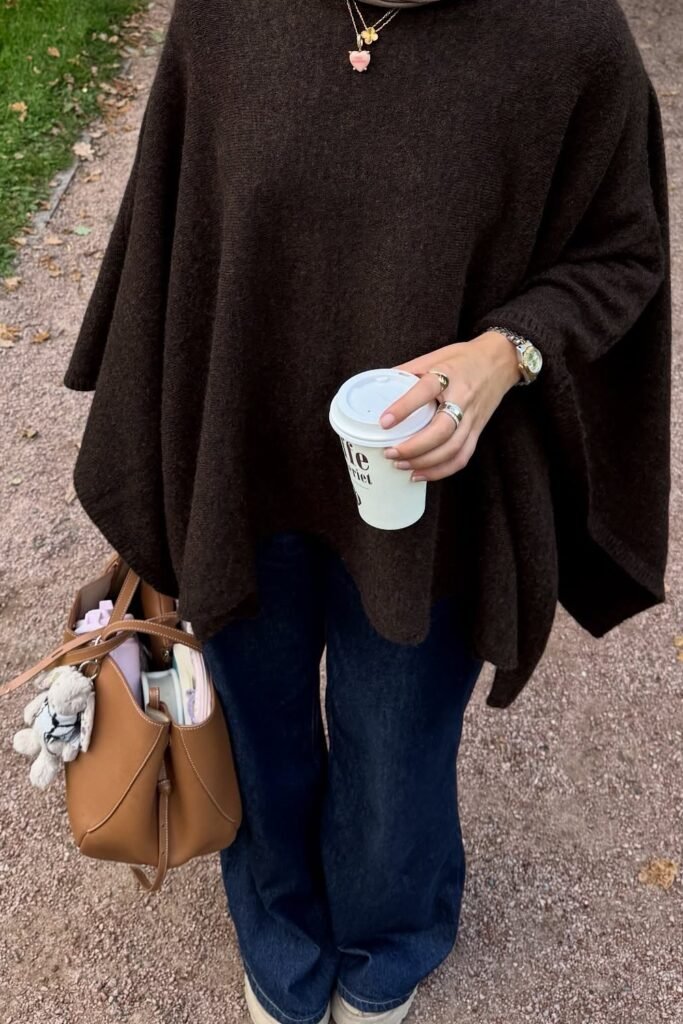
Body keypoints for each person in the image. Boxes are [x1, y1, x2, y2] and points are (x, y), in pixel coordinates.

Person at [62, 0, 672, 1022]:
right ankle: (280, 930)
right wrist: (152, 463)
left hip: (434, 493)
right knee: (252, 727)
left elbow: (623, 251)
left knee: (394, 752)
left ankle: (388, 935)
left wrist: (504, 353)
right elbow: (171, 224)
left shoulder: (567, 36)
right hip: (240, 462)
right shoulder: (225, 16)